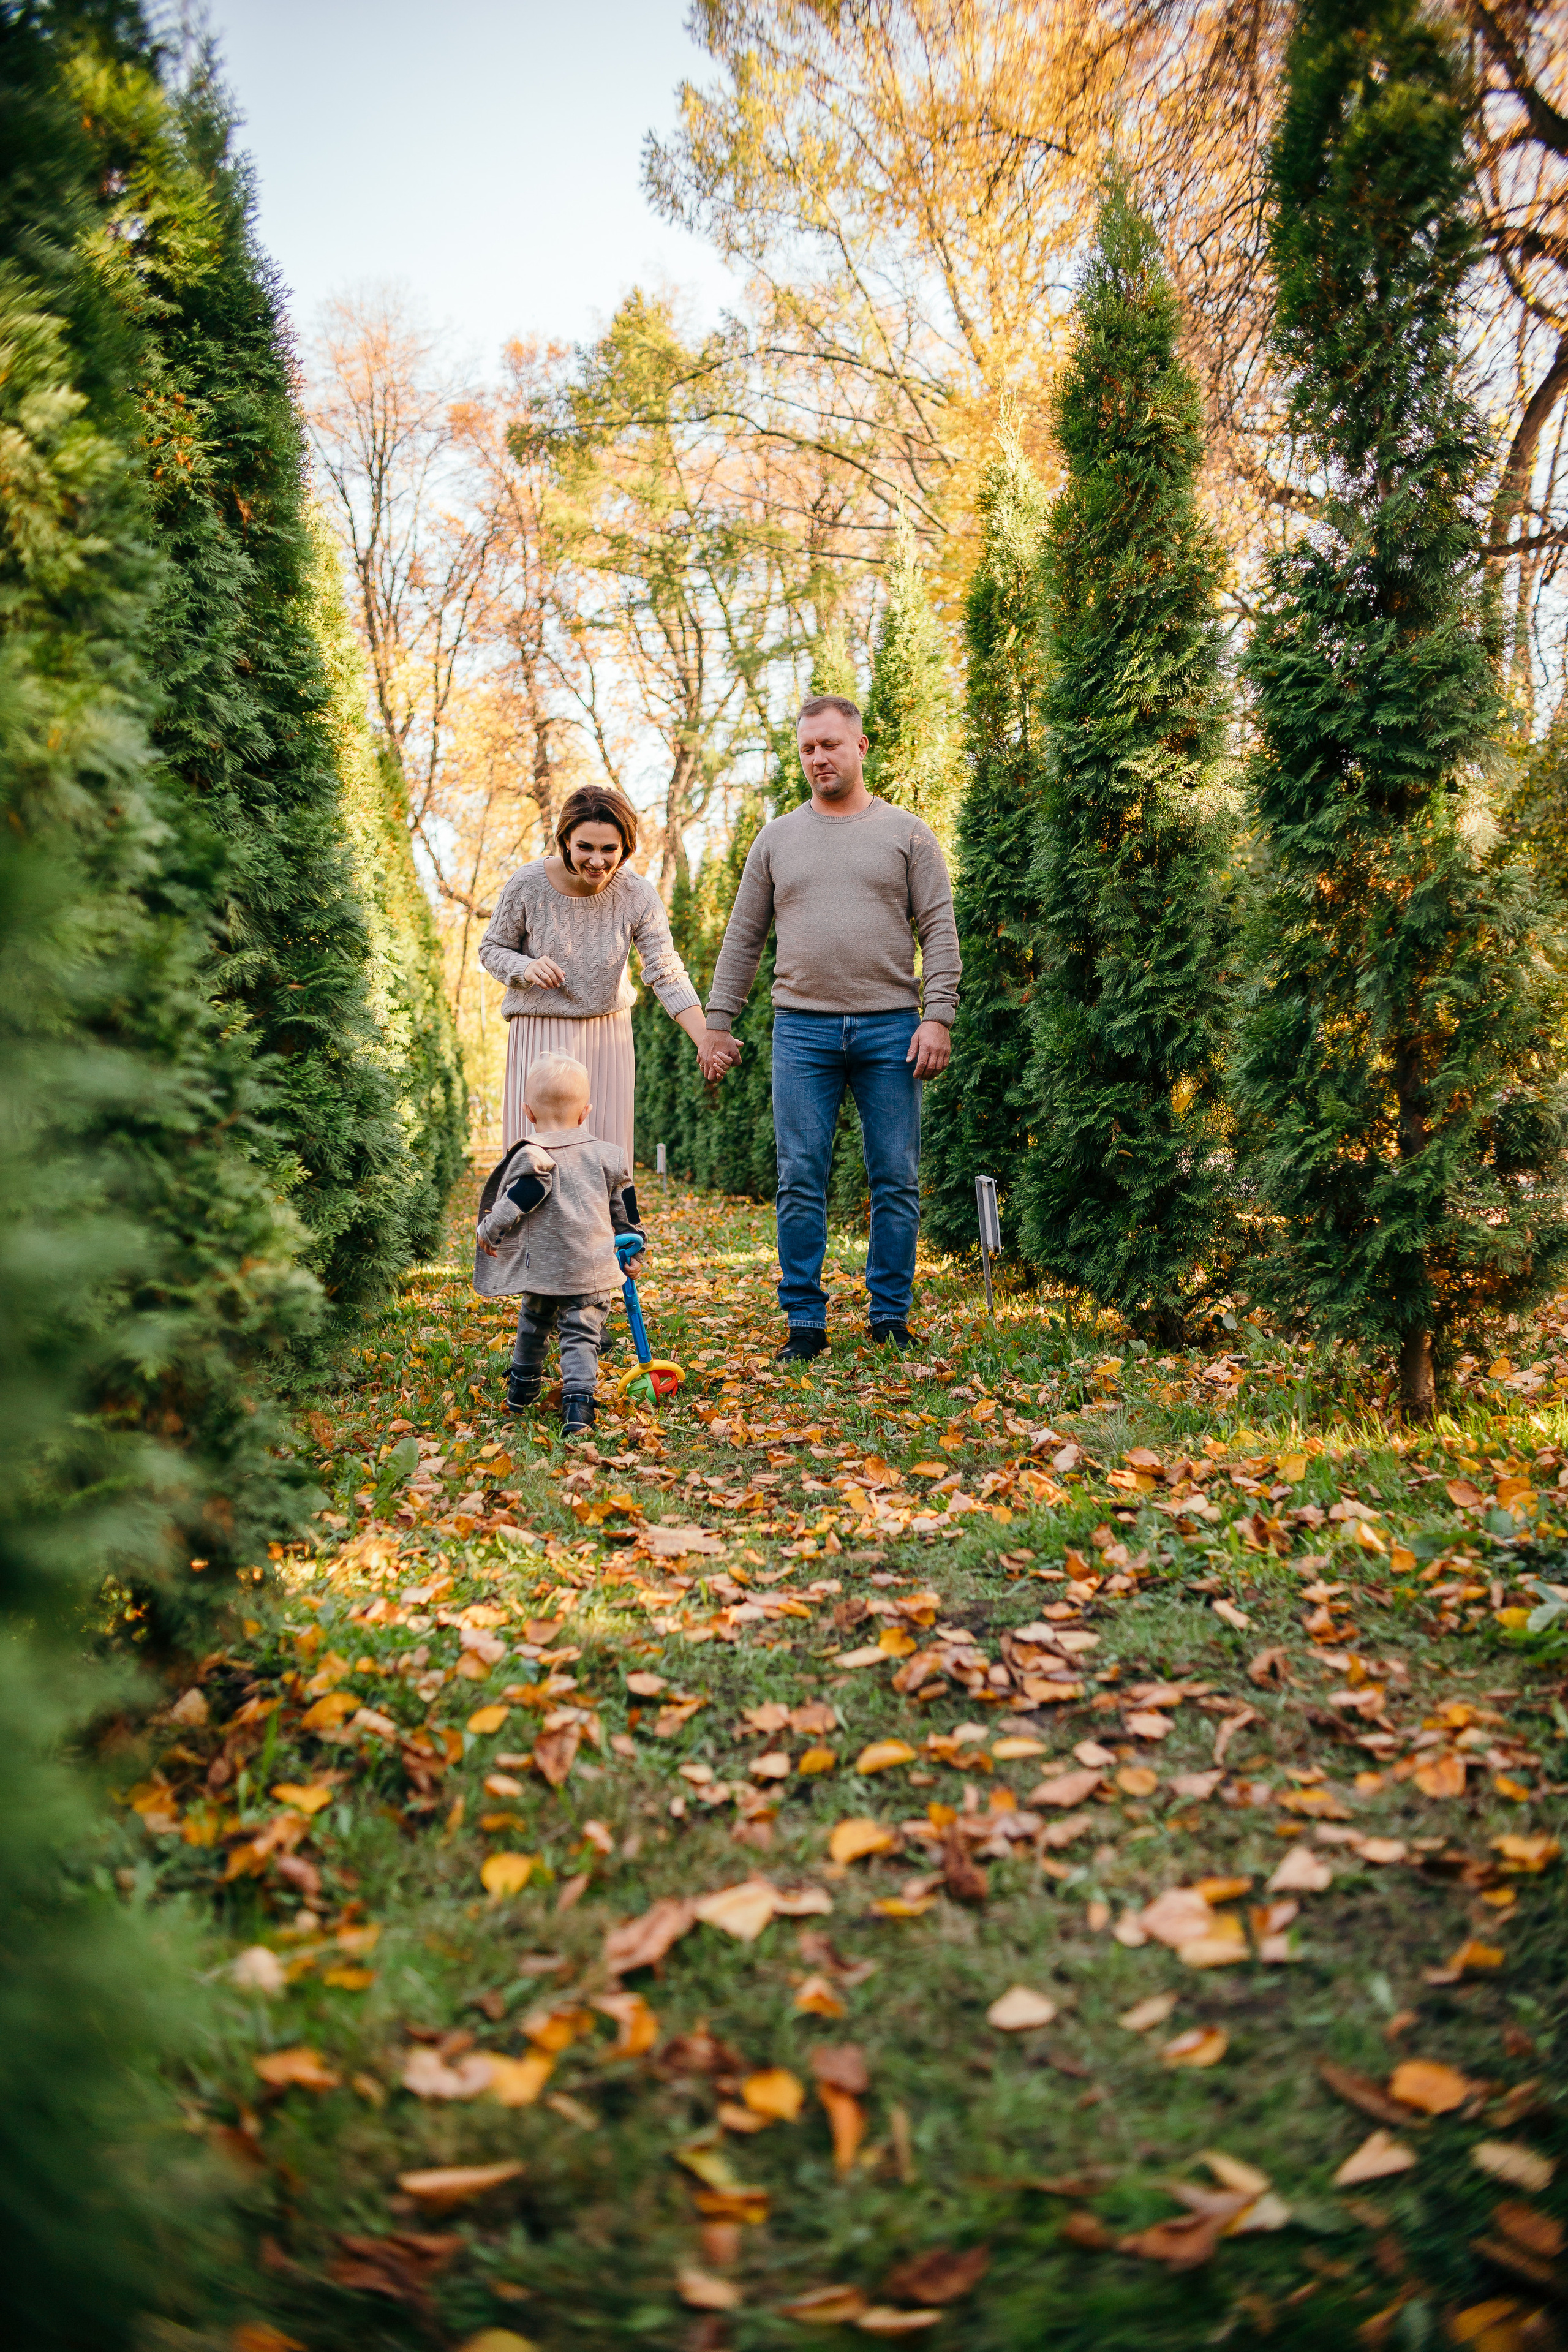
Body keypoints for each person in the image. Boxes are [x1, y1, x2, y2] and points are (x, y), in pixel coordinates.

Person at [699, 695, 961, 1358]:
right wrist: (718, 1022)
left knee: (895, 1177)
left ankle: (889, 1317)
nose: (818, 758)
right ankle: (805, 1324)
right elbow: (743, 937)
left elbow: (938, 929)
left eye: (830, 745)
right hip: (801, 1033)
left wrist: (937, 1016)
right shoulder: (777, 838)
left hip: (891, 1029)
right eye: (808, 748)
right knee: (799, 1178)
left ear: (861, 746)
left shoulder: (907, 833)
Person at [479, 785, 710, 1167]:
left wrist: (705, 1039)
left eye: (609, 849)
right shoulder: (527, 883)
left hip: (608, 1036)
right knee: (534, 1159)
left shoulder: (638, 895)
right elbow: (492, 949)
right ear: (566, 840)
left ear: (625, 847)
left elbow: (665, 970)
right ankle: (527, 1229)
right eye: (585, 846)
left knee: (605, 1156)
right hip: (538, 1031)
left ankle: (613, 1229)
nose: (597, 861)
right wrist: (525, 967)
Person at [473, 1053, 639, 1435]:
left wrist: (489, 1231)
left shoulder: (533, 1155)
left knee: (533, 1323)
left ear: (528, 1112)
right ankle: (578, 1409)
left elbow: (517, 1200)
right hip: (591, 1270)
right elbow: (627, 1213)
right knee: (581, 1335)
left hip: (542, 1271)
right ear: (585, 1113)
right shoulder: (609, 1156)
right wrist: (635, 1249)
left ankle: (522, 1389)